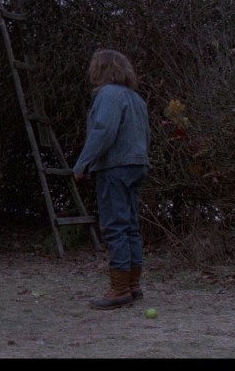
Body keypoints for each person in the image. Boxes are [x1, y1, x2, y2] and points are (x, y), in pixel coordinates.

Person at [72, 49, 151, 310]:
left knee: (115, 226)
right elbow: (146, 135)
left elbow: (103, 131)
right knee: (130, 225)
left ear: (101, 69)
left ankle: (119, 289)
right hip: (137, 164)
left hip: (115, 166)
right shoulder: (136, 98)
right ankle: (133, 284)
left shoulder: (107, 95)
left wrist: (83, 163)